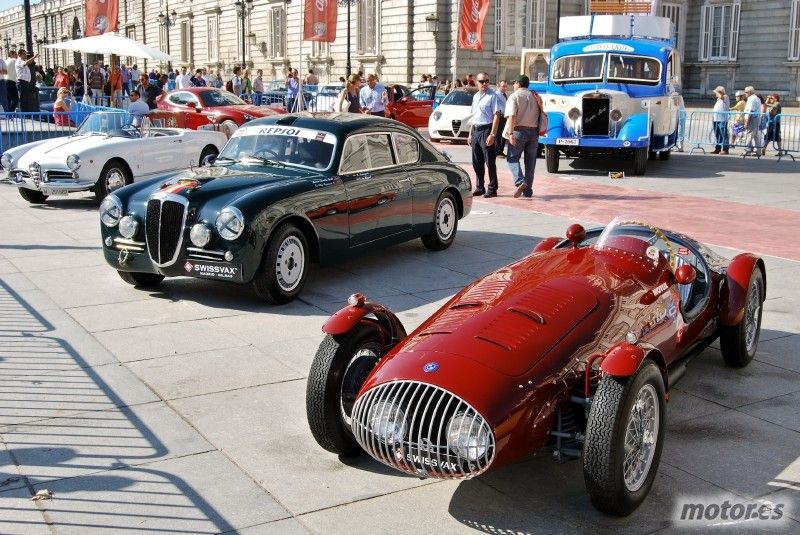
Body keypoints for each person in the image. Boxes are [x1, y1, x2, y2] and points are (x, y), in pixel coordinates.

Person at [503, 74, 542, 199]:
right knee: (530, 163)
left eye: (514, 83)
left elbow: (512, 116)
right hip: (534, 132)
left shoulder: (514, 96)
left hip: (519, 131)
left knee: (512, 158)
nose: (513, 85)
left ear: (519, 84)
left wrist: (510, 133)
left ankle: (520, 181)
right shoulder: (536, 96)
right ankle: (528, 190)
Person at [467, 72, 506, 198]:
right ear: (477, 82)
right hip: (476, 131)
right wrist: (470, 134)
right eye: (482, 81)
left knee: (490, 161)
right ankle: (480, 187)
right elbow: (474, 116)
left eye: (487, 81)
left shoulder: (493, 95)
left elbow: (497, 115)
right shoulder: (475, 96)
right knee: (476, 162)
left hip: (487, 130)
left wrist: (493, 134)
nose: (484, 84)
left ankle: (492, 188)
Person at [743, 86, 763, 155]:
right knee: (755, 135)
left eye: (745, 92)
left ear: (749, 92)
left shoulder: (752, 99)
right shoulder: (756, 98)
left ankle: (747, 150)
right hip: (755, 118)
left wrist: (747, 122)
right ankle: (758, 151)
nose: (744, 93)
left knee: (749, 134)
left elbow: (751, 111)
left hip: (752, 119)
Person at [711, 86, 730, 154]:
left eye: (716, 92)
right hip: (716, 119)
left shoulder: (725, 97)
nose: (715, 93)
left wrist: (718, 92)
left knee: (723, 134)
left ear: (720, 92)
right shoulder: (718, 99)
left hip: (722, 119)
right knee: (717, 134)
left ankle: (725, 149)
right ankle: (718, 148)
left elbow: (722, 96)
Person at [496, 80, 510, 157]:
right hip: (500, 116)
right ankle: (498, 151)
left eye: (505, 86)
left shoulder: (504, 94)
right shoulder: (497, 94)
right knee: (499, 134)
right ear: (499, 86)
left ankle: (500, 150)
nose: (505, 88)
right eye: (503, 86)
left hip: (504, 116)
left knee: (503, 134)